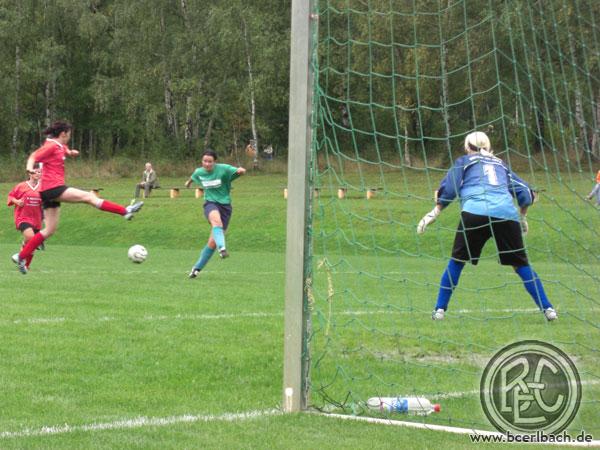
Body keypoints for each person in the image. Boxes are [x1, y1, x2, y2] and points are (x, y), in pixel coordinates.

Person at [417, 131, 557, 321]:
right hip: (506, 215)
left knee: (457, 262)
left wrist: (435, 211)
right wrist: (522, 217)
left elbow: (450, 188)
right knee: (520, 265)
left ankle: (439, 310)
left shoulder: (464, 161)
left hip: (475, 212)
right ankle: (548, 309)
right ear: (489, 146)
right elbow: (525, 192)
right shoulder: (501, 164)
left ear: (467, 147)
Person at [11, 120, 144, 274]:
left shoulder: (59, 146)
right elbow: (33, 156)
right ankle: (125, 211)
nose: (69, 137)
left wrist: (70, 152)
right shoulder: (51, 146)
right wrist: (29, 169)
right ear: (63, 134)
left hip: (47, 192)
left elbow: (63, 149)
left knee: (49, 230)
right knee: (89, 197)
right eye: (69, 134)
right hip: (53, 188)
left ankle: (21, 256)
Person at [184, 149, 246, 278]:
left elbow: (238, 171)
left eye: (210, 161)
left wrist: (241, 171)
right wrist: (188, 182)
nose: (207, 164)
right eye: (204, 161)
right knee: (216, 222)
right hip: (210, 203)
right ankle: (222, 248)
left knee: (212, 243)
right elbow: (193, 176)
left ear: (215, 162)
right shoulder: (199, 172)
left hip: (225, 206)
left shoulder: (223, 169)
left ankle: (196, 269)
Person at [7, 165, 43, 270]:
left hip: (37, 219)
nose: (38, 174)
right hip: (23, 217)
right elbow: (11, 196)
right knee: (31, 239)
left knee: (31, 244)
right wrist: (17, 201)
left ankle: (26, 265)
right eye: (36, 172)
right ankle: (20, 256)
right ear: (30, 173)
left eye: (40, 172)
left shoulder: (43, 187)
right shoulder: (21, 186)